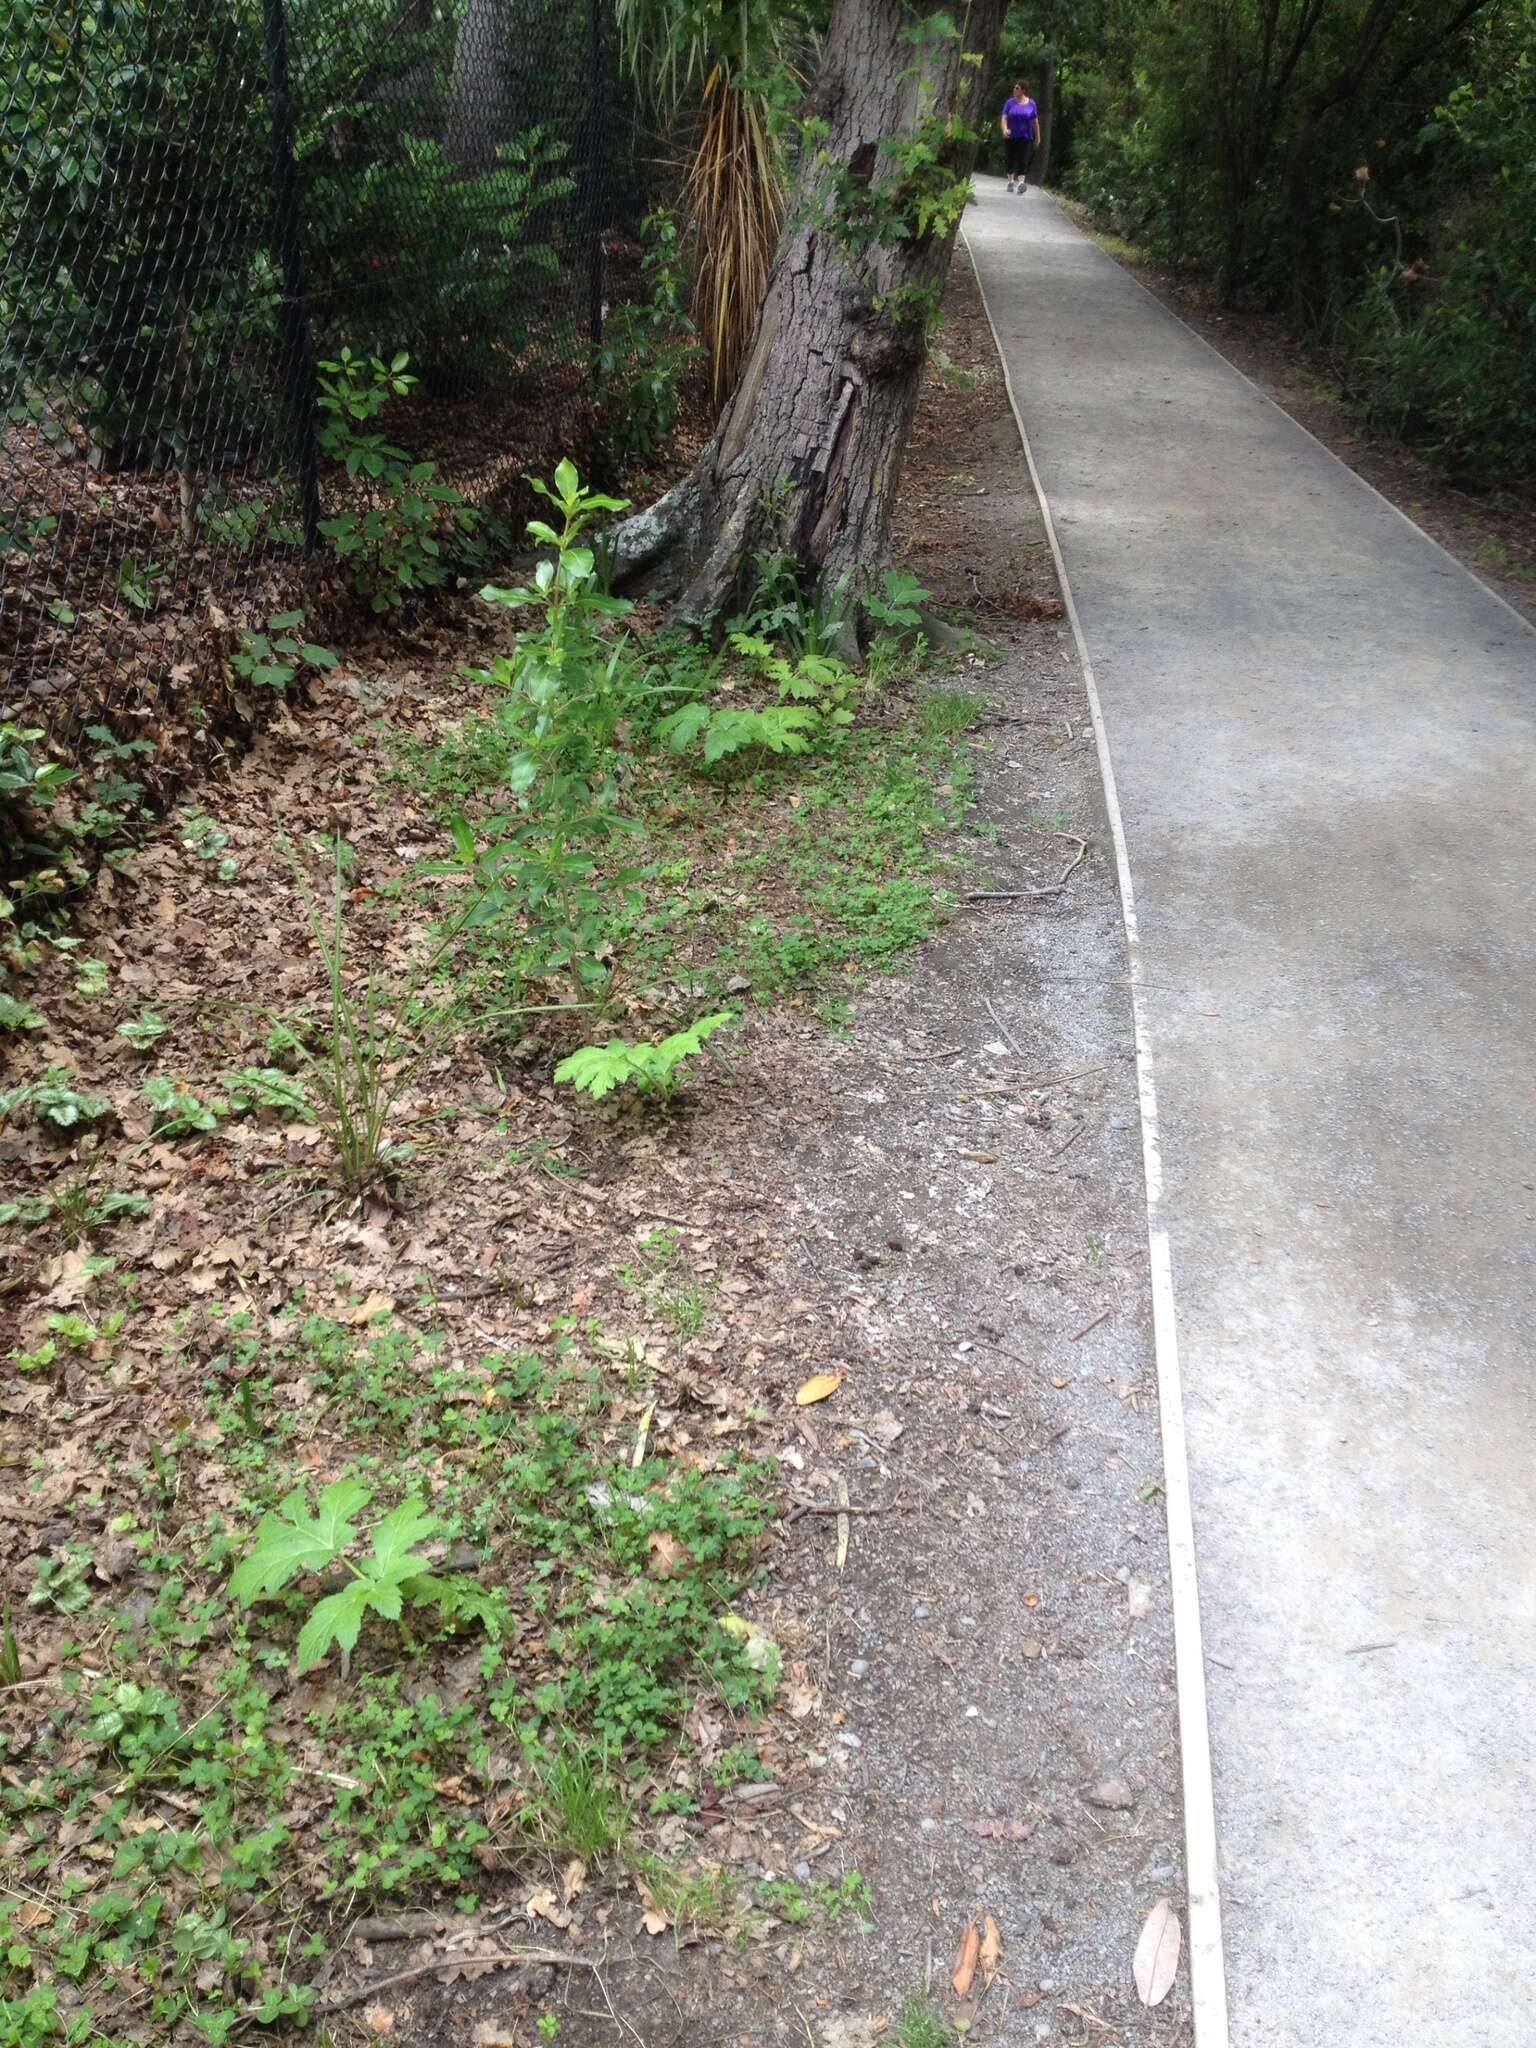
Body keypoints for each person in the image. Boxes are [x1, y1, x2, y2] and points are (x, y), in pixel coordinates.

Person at [1000, 79, 1040, 195]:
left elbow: (1035, 122)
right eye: (1014, 87)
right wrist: (1004, 129)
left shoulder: (1031, 103)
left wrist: (1038, 137)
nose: (1014, 90)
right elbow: (1004, 117)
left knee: (1022, 159)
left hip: (1025, 136)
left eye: (1017, 88)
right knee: (1010, 158)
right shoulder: (1010, 103)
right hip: (1011, 135)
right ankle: (1011, 181)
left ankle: (1021, 183)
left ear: (1023, 90)